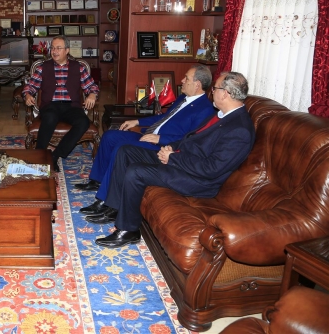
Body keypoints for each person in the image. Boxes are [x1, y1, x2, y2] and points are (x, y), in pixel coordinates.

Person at [95, 72, 256, 249]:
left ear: (225, 93)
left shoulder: (240, 129)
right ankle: (115, 207)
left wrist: (173, 158)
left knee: (136, 172)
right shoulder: (221, 114)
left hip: (198, 180)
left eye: (215, 89)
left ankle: (128, 230)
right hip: (181, 159)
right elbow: (190, 138)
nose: (212, 92)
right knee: (126, 151)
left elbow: (211, 168)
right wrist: (170, 147)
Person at [78, 65, 214, 223]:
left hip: (162, 146)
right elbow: (163, 118)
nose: (182, 80)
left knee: (121, 149)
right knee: (109, 136)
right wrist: (137, 121)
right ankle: (97, 180)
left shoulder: (205, 110)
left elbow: (190, 140)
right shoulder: (183, 98)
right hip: (149, 136)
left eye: (187, 78)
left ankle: (106, 202)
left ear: (197, 84)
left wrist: (160, 138)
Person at [22, 35, 99, 170]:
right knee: (50, 117)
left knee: (83, 122)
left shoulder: (79, 68)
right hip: (50, 105)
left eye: (58, 48)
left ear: (67, 50)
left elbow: (92, 86)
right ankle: (40, 154)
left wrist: (92, 94)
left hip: (72, 106)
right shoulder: (43, 67)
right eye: (52, 48)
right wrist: (28, 95)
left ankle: (55, 155)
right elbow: (30, 86)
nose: (54, 51)